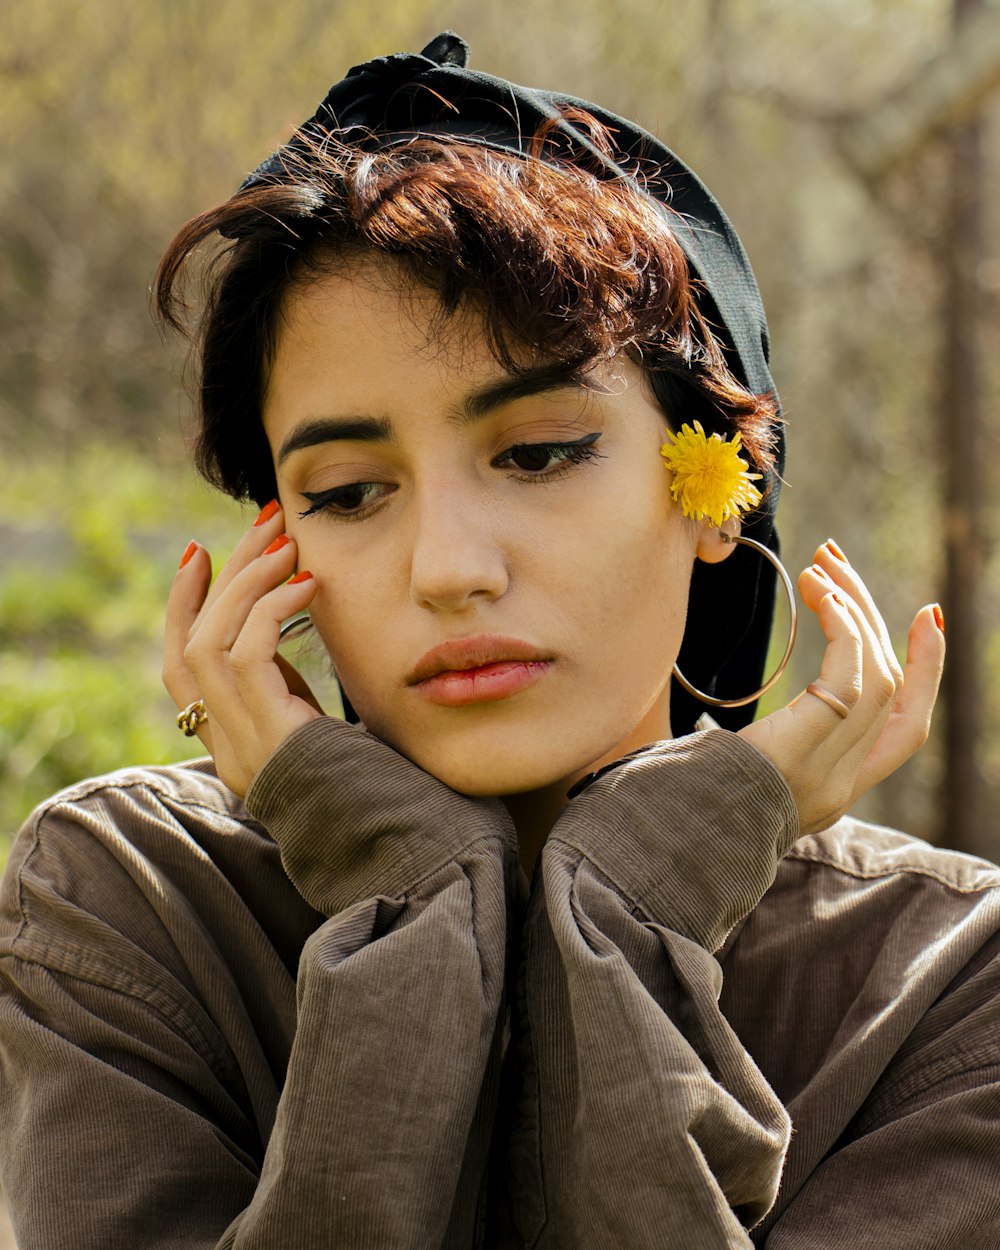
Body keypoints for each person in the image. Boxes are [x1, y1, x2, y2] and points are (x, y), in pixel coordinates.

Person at [1, 31, 997, 1250]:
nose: (450, 569)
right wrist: (402, 884)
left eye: (536, 454)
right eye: (351, 490)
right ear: (280, 550)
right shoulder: (135, 901)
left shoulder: (942, 978)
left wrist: (642, 890)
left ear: (711, 490)